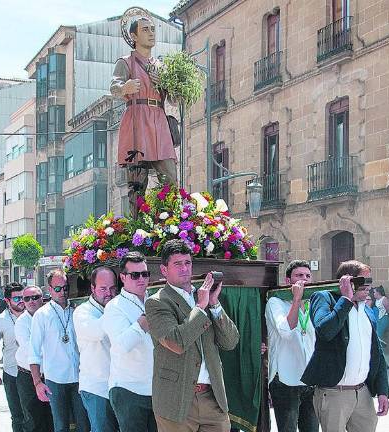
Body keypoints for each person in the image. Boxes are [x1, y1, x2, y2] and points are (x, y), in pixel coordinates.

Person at [145, 240, 240, 432]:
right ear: (164, 270)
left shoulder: (204, 297)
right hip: (176, 401)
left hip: (212, 398)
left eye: (187, 263)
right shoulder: (157, 303)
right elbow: (176, 342)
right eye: (177, 264)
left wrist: (214, 305)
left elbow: (230, 341)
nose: (184, 269)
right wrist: (200, 307)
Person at [301, 260, 389, 432]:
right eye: (362, 283)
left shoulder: (367, 310)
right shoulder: (324, 298)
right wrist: (346, 299)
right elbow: (325, 331)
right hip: (334, 393)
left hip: (362, 393)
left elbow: (376, 353)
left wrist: (383, 391)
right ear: (347, 281)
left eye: (370, 283)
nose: (368, 288)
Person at [111, 16, 178, 217]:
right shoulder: (125, 62)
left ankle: (170, 222)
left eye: (152, 29)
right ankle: (136, 227)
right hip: (136, 123)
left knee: (170, 177)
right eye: (145, 30)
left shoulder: (162, 66)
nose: (151, 33)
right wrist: (125, 87)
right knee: (137, 182)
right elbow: (114, 87)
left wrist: (166, 83)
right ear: (133, 36)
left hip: (158, 121)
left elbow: (174, 99)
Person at [103, 252, 157, 432]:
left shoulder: (154, 300)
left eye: (145, 274)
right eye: (135, 275)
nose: (141, 279)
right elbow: (121, 345)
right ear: (123, 277)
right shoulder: (114, 306)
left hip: (156, 389)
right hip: (128, 390)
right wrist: (142, 322)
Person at [29, 270, 89, 432]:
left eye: (65, 288)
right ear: (49, 289)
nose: (63, 292)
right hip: (55, 380)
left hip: (79, 377)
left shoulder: (77, 310)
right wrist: (37, 383)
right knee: (61, 426)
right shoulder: (42, 315)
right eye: (58, 288)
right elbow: (33, 352)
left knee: (84, 425)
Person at [264, 260, 318, 432]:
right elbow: (286, 331)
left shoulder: (312, 304)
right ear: (288, 281)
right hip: (285, 379)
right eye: (299, 275)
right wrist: (296, 299)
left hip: (310, 379)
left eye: (308, 276)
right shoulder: (275, 302)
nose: (304, 280)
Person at [74, 267, 119, 432]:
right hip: (96, 388)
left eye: (113, 288)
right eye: (103, 288)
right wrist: (117, 308)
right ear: (92, 288)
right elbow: (98, 332)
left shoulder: (115, 307)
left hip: (119, 386)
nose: (109, 293)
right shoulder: (82, 312)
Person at [0, 283, 27, 432]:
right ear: (7, 300)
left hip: (33, 373)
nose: (21, 301)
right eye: (17, 298)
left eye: (23, 297)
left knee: (34, 415)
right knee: (17, 415)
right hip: (12, 373)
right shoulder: (0, 320)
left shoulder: (34, 315)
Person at [15, 286, 54, 432]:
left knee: (52, 418)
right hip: (28, 376)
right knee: (33, 419)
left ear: (42, 298)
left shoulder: (50, 316)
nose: (31, 301)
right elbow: (31, 349)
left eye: (35, 297)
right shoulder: (22, 322)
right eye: (27, 298)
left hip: (50, 375)